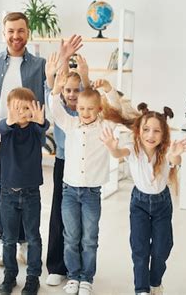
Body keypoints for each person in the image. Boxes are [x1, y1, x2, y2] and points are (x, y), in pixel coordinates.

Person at [0, 11, 82, 265]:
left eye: (20, 31)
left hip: (29, 139)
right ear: (4, 33)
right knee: (2, 195)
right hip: (0, 137)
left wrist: (63, 59)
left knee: (29, 195)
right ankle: (7, 241)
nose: (15, 36)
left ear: (27, 33)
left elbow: (57, 88)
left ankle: (24, 242)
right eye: (11, 31)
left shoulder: (40, 64)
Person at [49, 71, 133, 295]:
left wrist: (108, 89)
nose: (86, 113)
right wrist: (56, 87)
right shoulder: (71, 124)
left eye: (91, 109)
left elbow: (117, 110)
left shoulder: (105, 126)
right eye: (82, 108)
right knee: (71, 237)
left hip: (92, 193)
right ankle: (73, 276)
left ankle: (87, 278)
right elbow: (55, 108)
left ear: (98, 109)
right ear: (77, 108)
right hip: (69, 191)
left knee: (89, 238)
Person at [100, 103, 186, 295]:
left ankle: (155, 282)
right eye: (146, 130)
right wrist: (111, 148)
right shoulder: (132, 149)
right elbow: (119, 153)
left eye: (156, 131)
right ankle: (141, 289)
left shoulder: (167, 150)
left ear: (163, 134)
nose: (150, 135)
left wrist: (176, 155)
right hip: (139, 204)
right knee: (140, 249)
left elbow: (174, 161)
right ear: (139, 131)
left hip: (162, 204)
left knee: (162, 249)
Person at [0, 88, 49, 295]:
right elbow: (3, 126)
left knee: (33, 236)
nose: (21, 112)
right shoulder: (6, 129)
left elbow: (45, 126)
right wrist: (11, 118)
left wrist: (40, 120)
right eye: (16, 108)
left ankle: (32, 277)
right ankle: (10, 275)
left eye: (26, 108)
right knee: (8, 238)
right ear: (8, 109)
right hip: (8, 193)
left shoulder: (35, 129)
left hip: (31, 193)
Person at [44, 53, 90, 287]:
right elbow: (51, 98)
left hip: (85, 166)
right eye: (68, 90)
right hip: (63, 164)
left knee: (84, 220)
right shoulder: (60, 108)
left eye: (77, 89)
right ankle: (56, 266)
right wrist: (52, 80)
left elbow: (93, 99)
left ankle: (81, 268)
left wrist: (86, 77)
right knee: (59, 215)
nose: (72, 94)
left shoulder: (86, 109)